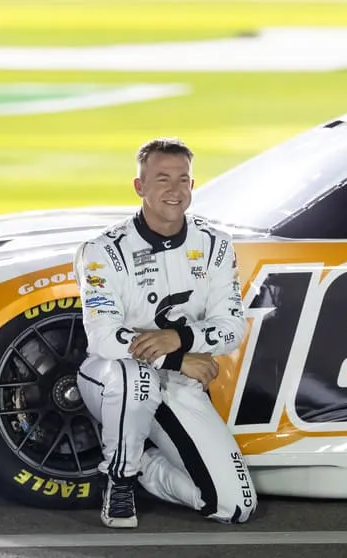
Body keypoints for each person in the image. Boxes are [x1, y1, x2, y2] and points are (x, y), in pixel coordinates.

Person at [73, 137, 256, 529]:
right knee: (134, 376)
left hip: (179, 383)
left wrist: (182, 340)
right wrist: (176, 357)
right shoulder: (102, 249)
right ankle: (118, 478)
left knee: (234, 506)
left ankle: (142, 468)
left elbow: (232, 328)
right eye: (162, 179)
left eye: (183, 180)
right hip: (109, 376)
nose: (174, 190)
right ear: (139, 187)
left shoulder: (216, 247)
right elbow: (104, 337)